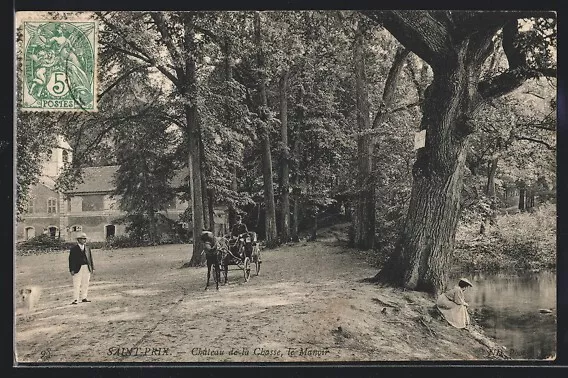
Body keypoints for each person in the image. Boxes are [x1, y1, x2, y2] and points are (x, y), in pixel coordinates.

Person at [69, 232, 95, 305]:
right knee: (77, 284)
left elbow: (90, 258)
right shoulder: (74, 249)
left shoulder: (87, 248)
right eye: (82, 239)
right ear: (78, 240)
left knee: (85, 283)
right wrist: (72, 270)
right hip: (77, 268)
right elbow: (71, 260)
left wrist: (92, 267)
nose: (84, 240)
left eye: (85, 239)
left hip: (86, 267)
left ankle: (84, 297)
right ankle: (75, 299)